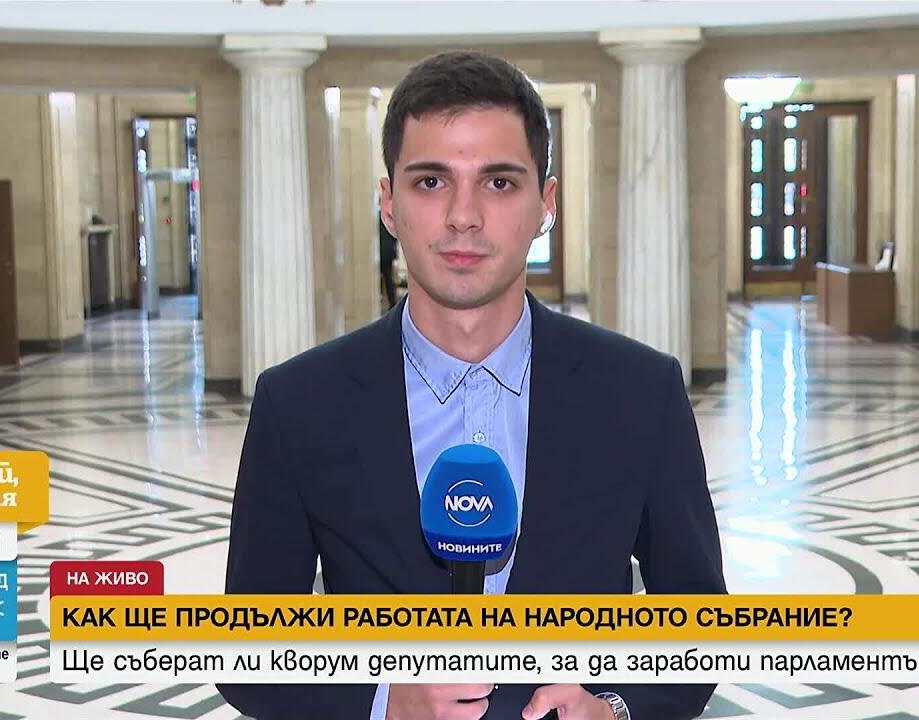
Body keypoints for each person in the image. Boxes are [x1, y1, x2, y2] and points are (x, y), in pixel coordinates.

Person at [220, 51, 725, 720]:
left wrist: (615, 706)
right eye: (431, 181)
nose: (463, 216)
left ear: (545, 204)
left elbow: (700, 623)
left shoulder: (640, 393)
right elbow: (248, 650)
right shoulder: (298, 404)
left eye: (499, 182)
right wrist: (383, 700)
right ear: (389, 203)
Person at [380, 212, 400, 309]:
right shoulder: (390, 219)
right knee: (388, 278)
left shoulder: (378, 219)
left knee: (386, 278)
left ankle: (386, 300)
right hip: (388, 253)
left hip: (381, 253)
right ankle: (392, 303)